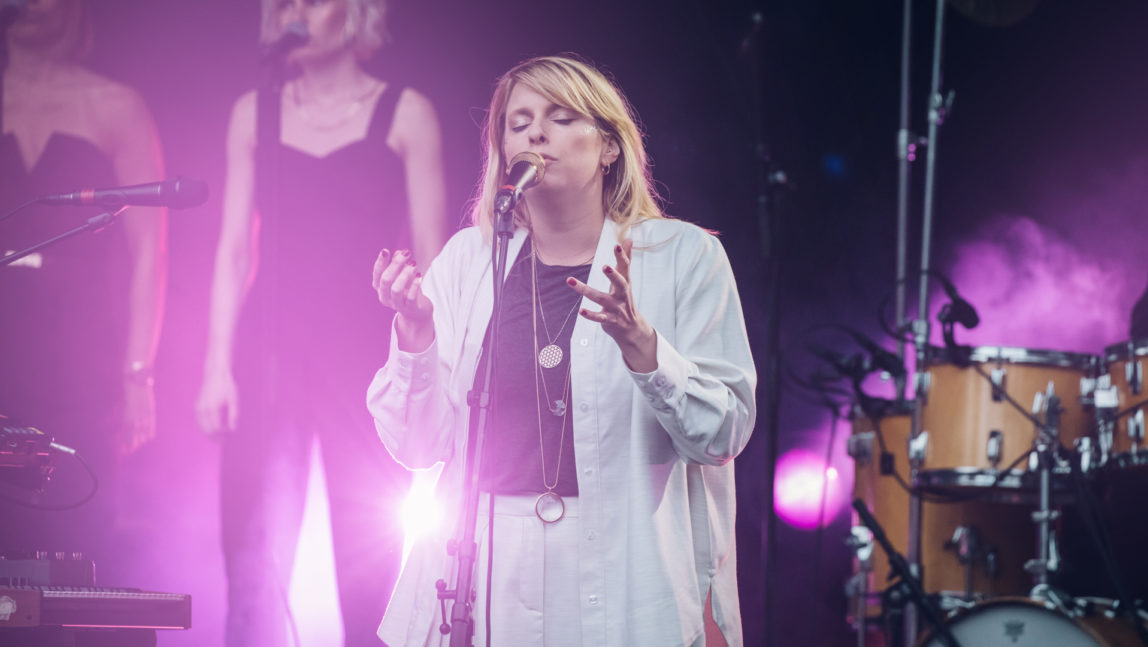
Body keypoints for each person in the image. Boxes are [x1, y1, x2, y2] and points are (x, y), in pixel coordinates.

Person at [369, 55, 756, 646]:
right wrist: (417, 337)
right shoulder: (470, 260)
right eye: (517, 121)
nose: (534, 132)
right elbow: (419, 449)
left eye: (559, 115)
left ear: (608, 147)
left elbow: (723, 433)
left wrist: (644, 348)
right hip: (491, 559)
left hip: (625, 558)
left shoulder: (682, 257)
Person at [194, 0, 448, 645]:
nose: (293, 12)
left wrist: (437, 367)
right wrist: (217, 366)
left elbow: (437, 255)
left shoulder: (408, 113)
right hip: (268, 351)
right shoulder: (254, 112)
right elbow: (233, 249)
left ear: (356, 14)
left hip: (366, 357)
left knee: (371, 568)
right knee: (253, 564)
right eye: (281, 3)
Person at [0, 0, 167, 559]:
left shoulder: (117, 107)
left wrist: (138, 374)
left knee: (71, 548)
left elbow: (151, 249)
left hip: (78, 360)